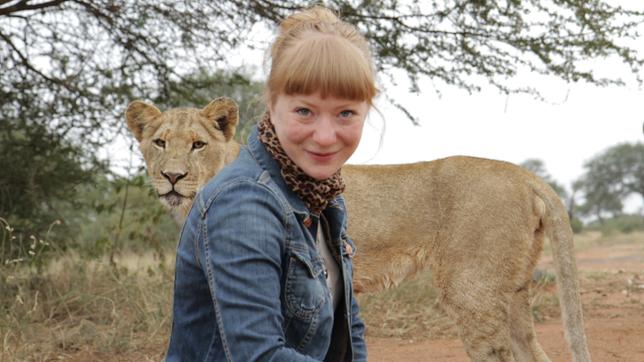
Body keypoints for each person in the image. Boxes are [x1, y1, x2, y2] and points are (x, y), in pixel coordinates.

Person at [165, 6, 377, 361]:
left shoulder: (321, 193)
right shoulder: (243, 203)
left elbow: (348, 331)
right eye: (304, 111)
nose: (325, 137)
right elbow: (259, 355)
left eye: (346, 113)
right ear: (272, 105)